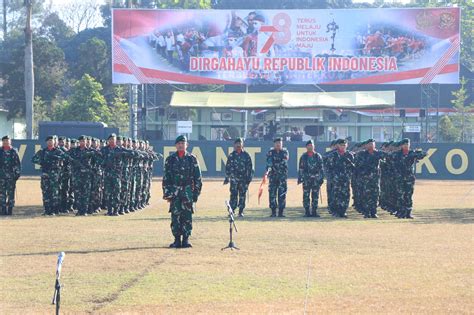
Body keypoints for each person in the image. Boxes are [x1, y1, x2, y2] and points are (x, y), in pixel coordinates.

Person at [163, 135, 202, 248]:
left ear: (186, 145)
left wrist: (195, 194)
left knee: (187, 216)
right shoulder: (170, 159)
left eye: (183, 143)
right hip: (175, 192)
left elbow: (198, 178)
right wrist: (167, 193)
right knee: (175, 216)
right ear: (175, 145)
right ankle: (176, 240)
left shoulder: (192, 159)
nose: (180, 145)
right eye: (178, 143)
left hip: (187, 191)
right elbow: (166, 178)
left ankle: (185, 239)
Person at [392, 138, 426, 219]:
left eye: (407, 144)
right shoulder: (397, 154)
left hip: (409, 178)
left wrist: (419, 152)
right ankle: (400, 212)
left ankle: (408, 213)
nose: (406, 146)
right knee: (400, 195)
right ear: (402, 145)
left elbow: (423, 155)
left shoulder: (412, 153)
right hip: (400, 177)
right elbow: (390, 159)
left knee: (408, 195)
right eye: (404, 144)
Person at [32, 135, 65, 215]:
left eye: (51, 140)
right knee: (46, 192)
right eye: (48, 140)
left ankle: (54, 210)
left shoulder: (58, 151)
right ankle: (47, 210)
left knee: (54, 193)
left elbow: (65, 158)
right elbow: (33, 159)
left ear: (54, 142)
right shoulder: (42, 151)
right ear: (46, 142)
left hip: (55, 175)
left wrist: (56, 158)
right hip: (45, 174)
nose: (50, 142)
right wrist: (42, 162)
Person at [355, 139, 386, 218]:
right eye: (369, 144)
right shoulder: (361, 154)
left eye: (372, 144)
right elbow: (358, 165)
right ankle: (366, 212)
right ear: (366, 145)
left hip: (375, 179)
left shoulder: (379, 153)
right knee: (366, 195)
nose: (371, 146)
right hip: (365, 179)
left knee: (375, 195)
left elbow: (386, 160)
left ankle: (373, 212)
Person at [224, 138, 253, 217]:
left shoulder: (246, 155)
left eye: (240, 143)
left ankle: (241, 211)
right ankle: (232, 211)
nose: (238, 145)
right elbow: (228, 167)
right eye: (237, 144)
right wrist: (227, 177)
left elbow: (250, 168)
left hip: (243, 179)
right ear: (234, 145)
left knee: (242, 195)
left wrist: (249, 178)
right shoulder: (231, 155)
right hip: (234, 179)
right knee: (233, 195)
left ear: (242, 145)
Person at [326, 139, 355, 218]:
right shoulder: (333, 155)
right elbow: (329, 167)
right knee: (335, 195)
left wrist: (349, 175)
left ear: (347, 145)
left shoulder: (349, 155)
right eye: (341, 145)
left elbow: (353, 167)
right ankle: (335, 212)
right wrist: (331, 177)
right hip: (336, 179)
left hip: (345, 179)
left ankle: (343, 211)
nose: (343, 147)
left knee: (345, 195)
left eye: (344, 145)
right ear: (338, 145)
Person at [68, 135, 94, 216]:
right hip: (77, 175)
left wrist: (91, 168)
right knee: (77, 193)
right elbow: (67, 157)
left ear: (86, 142)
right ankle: (79, 210)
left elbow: (98, 161)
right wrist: (73, 164)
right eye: (81, 141)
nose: (82, 142)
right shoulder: (74, 151)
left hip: (87, 175)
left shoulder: (91, 151)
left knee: (86, 193)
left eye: (83, 141)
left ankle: (85, 210)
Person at [298, 140, 324, 217]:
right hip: (306, 180)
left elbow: (321, 168)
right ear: (306, 147)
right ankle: (307, 212)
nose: (311, 146)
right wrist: (301, 178)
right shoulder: (303, 156)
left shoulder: (318, 156)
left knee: (315, 195)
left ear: (314, 146)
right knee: (306, 195)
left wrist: (320, 178)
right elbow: (301, 168)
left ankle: (314, 211)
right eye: (309, 145)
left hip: (316, 179)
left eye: (312, 145)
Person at [265, 137, 289, 217]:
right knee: (272, 194)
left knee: (282, 194)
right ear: (274, 144)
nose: (278, 144)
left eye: (280, 143)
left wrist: (274, 166)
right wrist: (269, 168)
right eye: (276, 143)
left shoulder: (285, 152)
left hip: (282, 177)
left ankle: (281, 212)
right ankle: (273, 211)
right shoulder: (270, 152)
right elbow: (269, 162)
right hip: (273, 177)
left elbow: (283, 162)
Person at [0, 135, 21, 215]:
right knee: (2, 194)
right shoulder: (0, 151)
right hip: (1, 176)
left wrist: (17, 174)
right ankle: (3, 209)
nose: (6, 142)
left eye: (7, 140)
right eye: (4, 140)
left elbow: (18, 164)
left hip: (11, 176)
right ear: (2, 142)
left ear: (10, 141)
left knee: (11, 193)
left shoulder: (14, 151)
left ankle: (10, 210)